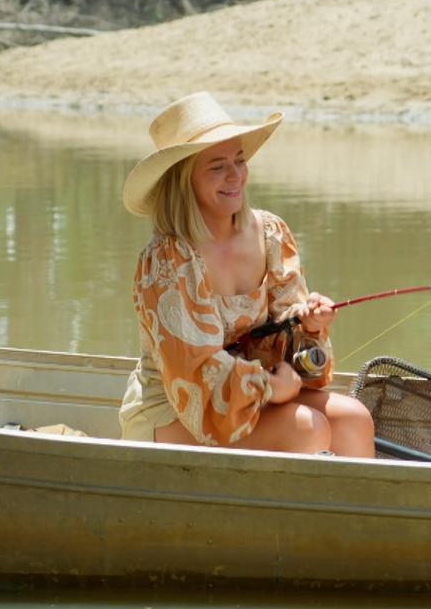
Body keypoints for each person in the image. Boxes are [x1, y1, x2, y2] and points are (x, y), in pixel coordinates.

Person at [118, 91, 375, 457]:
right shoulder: (167, 259)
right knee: (305, 428)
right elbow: (195, 374)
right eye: (217, 165)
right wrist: (269, 389)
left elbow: (289, 348)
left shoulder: (270, 234)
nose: (235, 175)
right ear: (182, 180)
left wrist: (310, 327)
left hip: (253, 390)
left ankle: (357, 515)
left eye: (239, 160)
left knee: (354, 418)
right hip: (177, 408)